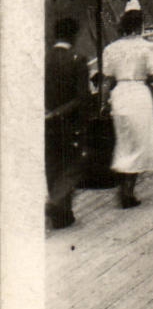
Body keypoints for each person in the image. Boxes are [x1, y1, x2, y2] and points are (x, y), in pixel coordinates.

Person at [100, 6, 153, 209]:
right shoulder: (148, 47)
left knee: (124, 141)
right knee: (140, 143)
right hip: (139, 94)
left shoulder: (111, 49)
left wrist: (104, 103)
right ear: (140, 26)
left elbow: (106, 80)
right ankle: (128, 191)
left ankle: (124, 184)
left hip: (120, 94)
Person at [46, 17, 91, 229]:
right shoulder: (77, 59)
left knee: (53, 165)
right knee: (75, 165)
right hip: (69, 121)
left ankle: (62, 215)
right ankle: (56, 202)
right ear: (73, 36)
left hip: (45, 121)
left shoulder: (43, 59)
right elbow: (83, 98)